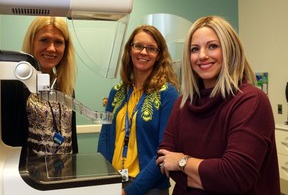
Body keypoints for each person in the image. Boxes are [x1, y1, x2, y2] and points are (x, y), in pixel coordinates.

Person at [156, 15, 280, 195]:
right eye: (194, 49)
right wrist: (211, 175)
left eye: (212, 46)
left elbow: (235, 177)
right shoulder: (182, 103)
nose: (202, 56)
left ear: (230, 50)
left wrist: (182, 161)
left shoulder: (251, 101)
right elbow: (165, 161)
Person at [97, 25, 179, 195]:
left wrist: (131, 191)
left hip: (150, 187)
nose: (143, 52)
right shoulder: (116, 92)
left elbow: (164, 151)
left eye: (151, 48)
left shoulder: (167, 93)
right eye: (138, 46)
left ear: (158, 56)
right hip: (115, 182)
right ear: (130, 50)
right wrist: (104, 180)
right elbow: (105, 136)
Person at [1, 16, 78, 155]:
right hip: (28, 174)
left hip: (64, 172)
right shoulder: (14, 85)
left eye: (58, 42)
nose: (51, 48)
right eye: (44, 40)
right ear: (32, 42)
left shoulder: (66, 88)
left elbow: (71, 137)